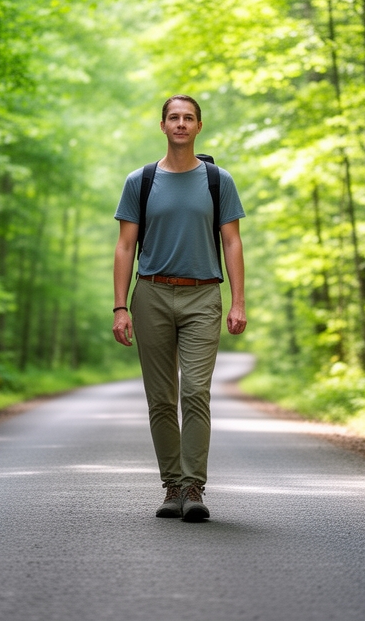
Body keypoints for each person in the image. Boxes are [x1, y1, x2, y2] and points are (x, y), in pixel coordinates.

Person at [112, 94, 247, 522]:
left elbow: (232, 241)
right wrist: (120, 307)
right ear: (163, 125)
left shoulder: (218, 180)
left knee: (194, 392)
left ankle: (194, 486)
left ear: (199, 126)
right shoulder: (141, 180)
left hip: (203, 295)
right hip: (150, 294)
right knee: (161, 398)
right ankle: (172, 486)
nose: (181, 124)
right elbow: (125, 246)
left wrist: (238, 301)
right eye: (174, 117)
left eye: (189, 118)